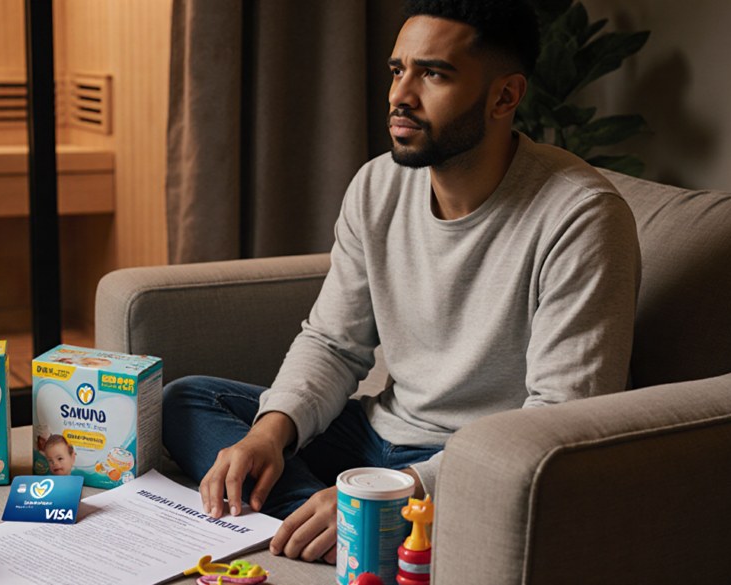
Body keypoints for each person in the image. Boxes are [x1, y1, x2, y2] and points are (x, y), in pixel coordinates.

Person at [162, 0, 642, 564]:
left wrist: (404, 488)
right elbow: (333, 343)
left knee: (485, 481)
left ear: (505, 96)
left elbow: (561, 417)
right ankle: (347, 525)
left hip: (477, 460)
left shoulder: (582, 217)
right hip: (375, 433)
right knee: (187, 400)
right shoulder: (377, 185)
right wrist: (268, 433)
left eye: (433, 74)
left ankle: (347, 522)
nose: (400, 96)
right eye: (398, 70)